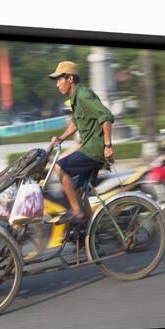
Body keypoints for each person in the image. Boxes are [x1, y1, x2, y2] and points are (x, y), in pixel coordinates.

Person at [48, 61, 115, 224]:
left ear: (70, 79)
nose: (57, 85)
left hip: (94, 150)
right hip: (90, 149)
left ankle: (77, 211)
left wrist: (107, 145)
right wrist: (60, 138)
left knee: (59, 166)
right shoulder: (76, 98)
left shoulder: (83, 95)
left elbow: (106, 116)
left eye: (59, 80)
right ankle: (91, 233)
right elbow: (76, 123)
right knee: (77, 191)